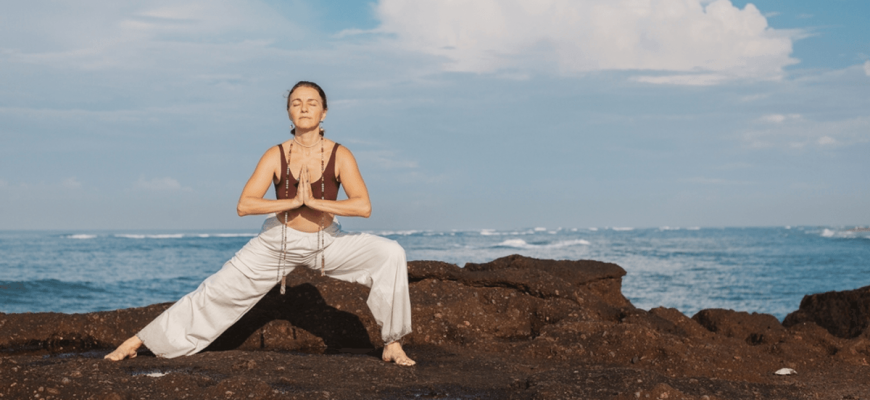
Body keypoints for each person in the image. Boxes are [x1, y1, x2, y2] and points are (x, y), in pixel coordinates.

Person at [104, 81, 415, 366]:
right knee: (215, 291)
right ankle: (139, 340)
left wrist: (316, 203)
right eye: (296, 102)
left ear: (324, 111)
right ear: (289, 112)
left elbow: (363, 206)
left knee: (390, 253)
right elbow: (245, 205)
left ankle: (393, 343)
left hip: (327, 242)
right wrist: (292, 203)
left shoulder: (340, 154)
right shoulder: (275, 155)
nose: (303, 107)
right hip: (277, 242)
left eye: (311, 102)